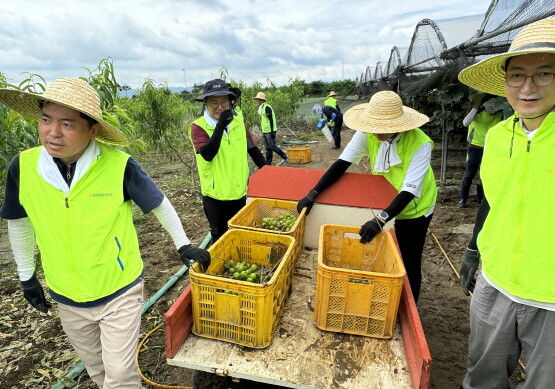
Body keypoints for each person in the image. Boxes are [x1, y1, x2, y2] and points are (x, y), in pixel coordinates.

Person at [0, 78, 210, 389]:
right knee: (98, 371)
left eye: (67, 124)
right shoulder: (25, 166)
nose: (53, 132)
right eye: (46, 120)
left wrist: (183, 245)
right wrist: (27, 276)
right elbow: (19, 220)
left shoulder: (118, 165)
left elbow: (159, 204)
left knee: (120, 377)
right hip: (66, 294)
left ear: (92, 130)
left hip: (119, 289)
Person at [458, 18, 555, 389]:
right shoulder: (498, 136)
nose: (527, 87)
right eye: (517, 76)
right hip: (494, 283)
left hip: (550, 297)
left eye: (544, 74)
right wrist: (472, 252)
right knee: (481, 376)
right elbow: (492, 201)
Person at [297, 91, 437, 301]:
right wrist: (313, 193)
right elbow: (342, 164)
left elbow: (409, 190)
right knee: (383, 254)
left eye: (384, 128)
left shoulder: (420, 143)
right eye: (375, 127)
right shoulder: (368, 133)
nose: (377, 132)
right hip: (385, 199)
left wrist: (380, 219)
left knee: (409, 259)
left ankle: (411, 307)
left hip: (415, 207)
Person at [190, 79, 266, 243]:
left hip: (240, 191)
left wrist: (270, 172)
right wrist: (220, 126)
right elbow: (207, 154)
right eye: (214, 103)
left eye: (224, 102)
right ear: (205, 103)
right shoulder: (199, 127)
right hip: (216, 196)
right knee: (220, 236)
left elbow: (252, 149)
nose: (219, 107)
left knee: (241, 231)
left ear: (231, 102)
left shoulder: (238, 122)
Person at [457, 93, 502, 208]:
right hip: (475, 147)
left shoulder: (500, 114)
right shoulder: (478, 113)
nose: (492, 109)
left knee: (485, 175)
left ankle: (481, 200)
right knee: (469, 175)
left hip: (491, 148)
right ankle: (463, 199)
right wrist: (476, 106)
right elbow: (465, 123)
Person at [253, 91, 288, 165]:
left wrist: (272, 131)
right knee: (268, 148)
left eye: (258, 99)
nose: (256, 101)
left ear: (261, 100)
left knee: (272, 146)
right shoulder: (262, 108)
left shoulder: (267, 108)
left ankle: (284, 157)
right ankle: (268, 164)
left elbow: (271, 120)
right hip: (265, 130)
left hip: (269, 131)